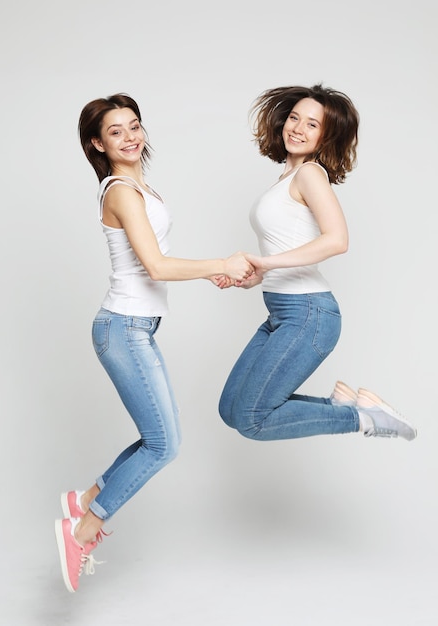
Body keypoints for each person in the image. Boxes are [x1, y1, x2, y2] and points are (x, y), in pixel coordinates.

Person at [55, 93, 253, 593]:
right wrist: (221, 265)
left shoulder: (141, 188)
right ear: (97, 143)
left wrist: (209, 276)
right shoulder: (120, 190)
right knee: (165, 445)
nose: (130, 136)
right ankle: (83, 527)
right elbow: (156, 268)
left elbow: (155, 259)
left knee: (160, 440)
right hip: (123, 327)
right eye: (116, 131)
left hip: (137, 326)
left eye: (135, 125)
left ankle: (86, 501)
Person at [217, 84, 417, 445]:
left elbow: (337, 240)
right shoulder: (285, 179)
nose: (297, 128)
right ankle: (338, 405)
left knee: (251, 420)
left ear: (326, 136)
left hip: (308, 314)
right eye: (294, 118)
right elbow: (290, 244)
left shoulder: (310, 174)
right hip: (282, 312)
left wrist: (264, 261)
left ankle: (362, 418)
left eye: (312, 124)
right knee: (231, 408)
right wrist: (260, 274)